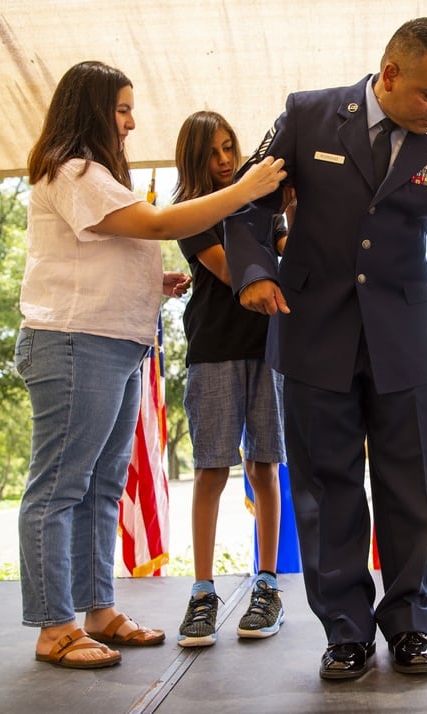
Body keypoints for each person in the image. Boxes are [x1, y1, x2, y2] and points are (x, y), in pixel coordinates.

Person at [224, 17, 427, 680]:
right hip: (314, 331)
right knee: (326, 489)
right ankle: (345, 630)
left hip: (400, 336)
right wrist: (255, 272)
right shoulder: (307, 115)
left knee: (410, 487)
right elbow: (247, 203)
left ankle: (408, 623)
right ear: (391, 73)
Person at [15, 61, 285, 670]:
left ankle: (97, 610)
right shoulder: (72, 169)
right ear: (89, 110)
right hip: (73, 344)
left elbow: (113, 247)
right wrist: (246, 188)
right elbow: (159, 222)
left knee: (101, 486)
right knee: (58, 489)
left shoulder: (98, 176)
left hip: (112, 344)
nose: (132, 122)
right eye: (122, 109)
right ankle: (54, 626)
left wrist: (149, 280)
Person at [170, 111, 289, 648]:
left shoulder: (262, 204)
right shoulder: (188, 213)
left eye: (229, 148)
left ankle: (266, 586)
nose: (223, 161)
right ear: (194, 160)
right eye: (212, 153)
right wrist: (256, 209)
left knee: (265, 467)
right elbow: (236, 271)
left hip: (269, 347)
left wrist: (290, 212)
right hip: (214, 350)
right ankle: (202, 594)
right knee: (212, 470)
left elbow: (287, 256)